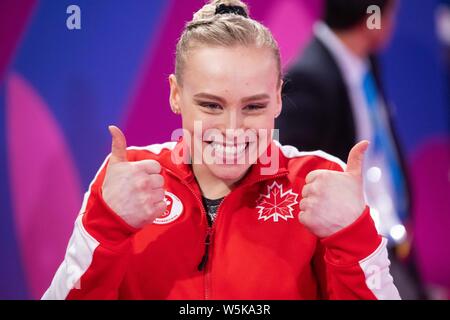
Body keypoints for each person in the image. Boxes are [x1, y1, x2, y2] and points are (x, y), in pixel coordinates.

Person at [43, 0, 400, 300]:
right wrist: (107, 228)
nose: (233, 129)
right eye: (212, 106)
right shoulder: (128, 176)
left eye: (253, 107)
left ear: (278, 96)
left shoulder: (316, 180)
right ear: (175, 95)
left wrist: (351, 236)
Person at [276, 0, 425, 299]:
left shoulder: (366, 61)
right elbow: (291, 179)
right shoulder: (308, 77)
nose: (394, 22)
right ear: (371, 17)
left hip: (390, 241)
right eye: (391, 11)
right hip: (350, 254)